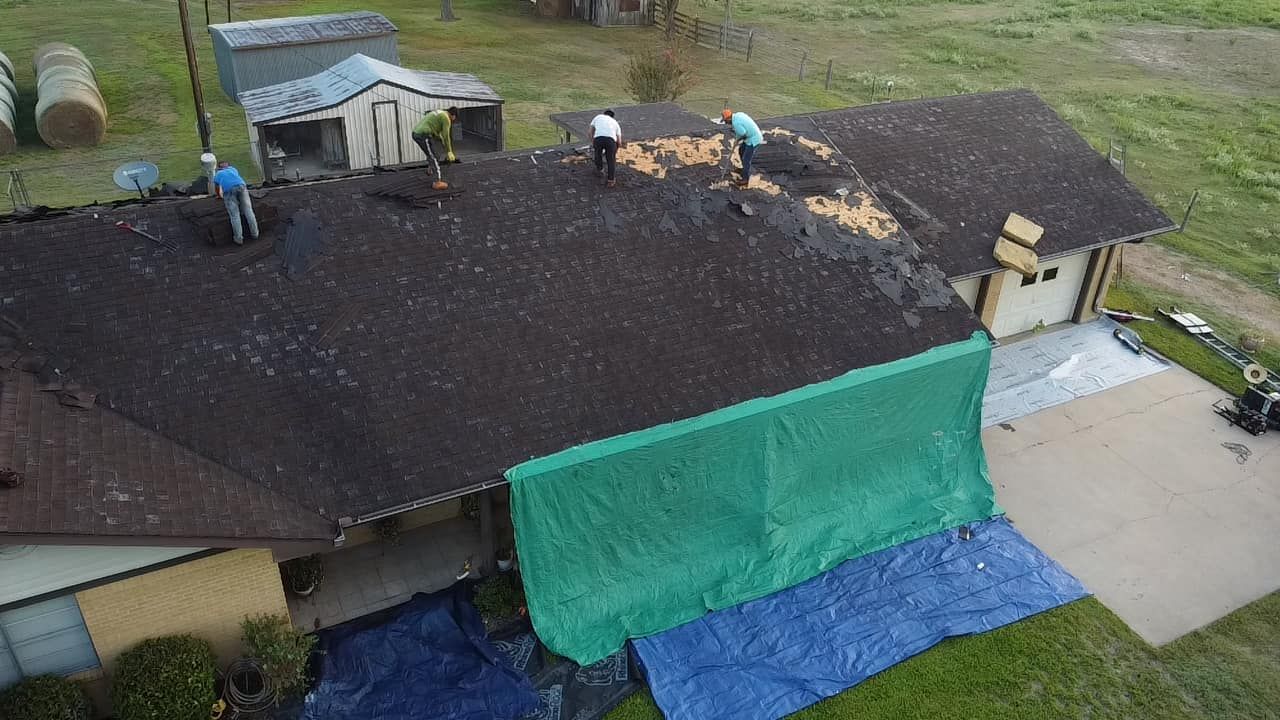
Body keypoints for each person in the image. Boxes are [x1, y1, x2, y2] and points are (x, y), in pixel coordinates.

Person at [212, 160, 258, 245]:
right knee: (248, 210)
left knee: (234, 215)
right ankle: (255, 234)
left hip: (229, 191)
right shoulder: (233, 169)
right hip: (242, 186)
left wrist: (219, 195)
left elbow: (217, 187)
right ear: (228, 165)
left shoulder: (218, 174)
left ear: (219, 168)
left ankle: (239, 239)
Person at [412, 106, 459, 190]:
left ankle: (430, 170)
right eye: (454, 118)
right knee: (433, 156)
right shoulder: (446, 119)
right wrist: (449, 151)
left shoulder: (441, 112)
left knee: (435, 154)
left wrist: (439, 138)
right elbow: (446, 136)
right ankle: (438, 181)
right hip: (422, 135)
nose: (453, 120)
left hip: (420, 132)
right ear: (453, 116)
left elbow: (434, 128)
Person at [722, 108, 763, 188]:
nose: (725, 123)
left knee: (746, 159)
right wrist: (737, 140)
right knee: (741, 150)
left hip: (753, 140)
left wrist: (737, 140)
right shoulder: (738, 114)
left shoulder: (736, 123)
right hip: (750, 137)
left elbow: (743, 133)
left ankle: (745, 179)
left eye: (725, 121)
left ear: (729, 119)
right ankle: (743, 170)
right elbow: (740, 132)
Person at [589, 109, 622, 188]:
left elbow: (590, 132)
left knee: (598, 154)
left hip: (598, 139)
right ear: (612, 116)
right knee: (611, 160)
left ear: (604, 114)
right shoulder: (615, 123)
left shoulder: (598, 117)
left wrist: (593, 142)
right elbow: (619, 142)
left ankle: (600, 170)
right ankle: (611, 180)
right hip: (611, 141)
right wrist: (615, 150)